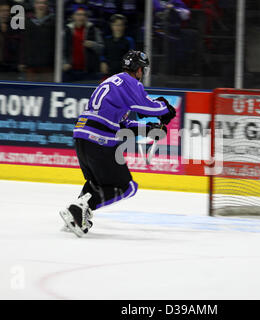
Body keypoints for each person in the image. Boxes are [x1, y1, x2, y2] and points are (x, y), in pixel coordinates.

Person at [59, 50, 176, 237]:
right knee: (127, 187)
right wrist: (166, 109)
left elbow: (122, 124)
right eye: (142, 70)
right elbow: (147, 106)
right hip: (98, 139)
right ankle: (81, 208)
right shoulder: (130, 83)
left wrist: (149, 129)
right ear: (138, 70)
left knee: (97, 182)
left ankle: (76, 215)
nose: (142, 74)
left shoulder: (112, 81)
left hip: (82, 136)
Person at [63, 7, 104, 83]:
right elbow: (61, 49)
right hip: (70, 72)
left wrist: (93, 45)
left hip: (89, 73)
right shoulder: (67, 30)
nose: (81, 17)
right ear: (73, 16)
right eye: (78, 14)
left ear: (86, 17)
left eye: (83, 15)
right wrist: (64, 63)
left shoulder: (93, 29)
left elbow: (102, 48)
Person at [19, 0, 55, 82]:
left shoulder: (53, 21)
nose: (41, 5)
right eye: (38, 3)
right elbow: (23, 42)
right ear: (34, 5)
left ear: (47, 6)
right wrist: (22, 61)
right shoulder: (27, 21)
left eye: (43, 3)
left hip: (48, 65)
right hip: (31, 64)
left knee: (46, 90)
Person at [0, 1, 21, 78]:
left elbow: (17, 47)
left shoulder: (15, 27)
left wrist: (6, 33)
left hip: (11, 66)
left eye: (7, 11)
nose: (5, 13)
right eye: (2, 11)